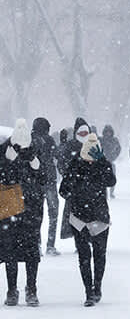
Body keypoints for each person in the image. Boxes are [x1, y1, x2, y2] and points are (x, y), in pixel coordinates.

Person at [59, 132, 116, 306]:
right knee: (84, 256)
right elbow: (63, 190)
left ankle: (97, 286)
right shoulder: (75, 165)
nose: (90, 161)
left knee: (99, 255)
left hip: (98, 217)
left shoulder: (101, 165)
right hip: (80, 218)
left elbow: (111, 181)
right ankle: (88, 292)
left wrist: (103, 161)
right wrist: (74, 191)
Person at [0, 119, 47, 307]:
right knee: (10, 250)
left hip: (31, 208)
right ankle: (12, 289)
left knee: (31, 252)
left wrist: (35, 163)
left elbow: (45, 177)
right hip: (10, 207)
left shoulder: (35, 149)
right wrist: (6, 161)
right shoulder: (4, 149)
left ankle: (31, 289)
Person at [58, 118, 90, 241]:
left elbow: (61, 162)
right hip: (79, 187)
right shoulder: (72, 146)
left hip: (79, 186)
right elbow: (62, 162)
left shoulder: (71, 145)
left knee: (78, 215)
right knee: (79, 215)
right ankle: (83, 238)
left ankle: (82, 238)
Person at [31, 117, 60, 256]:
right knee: (53, 214)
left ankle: (36, 244)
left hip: (35, 182)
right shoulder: (49, 140)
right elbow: (57, 155)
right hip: (49, 180)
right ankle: (50, 245)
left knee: (36, 214)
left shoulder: (30, 140)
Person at [100, 124, 121, 199]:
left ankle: (112, 192)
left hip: (111, 161)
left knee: (112, 176)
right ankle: (104, 192)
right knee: (103, 178)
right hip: (102, 161)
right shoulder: (101, 139)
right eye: (106, 132)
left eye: (109, 132)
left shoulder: (114, 140)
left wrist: (114, 156)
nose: (108, 133)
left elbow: (118, 149)